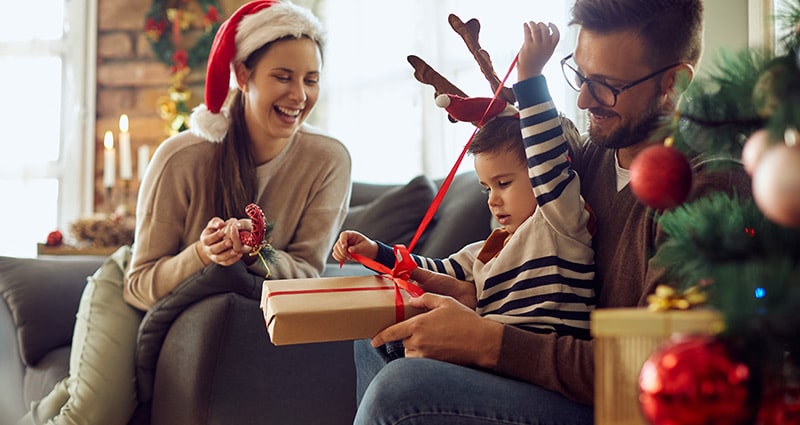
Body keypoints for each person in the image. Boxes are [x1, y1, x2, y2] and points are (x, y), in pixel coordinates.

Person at [353, 1, 751, 424]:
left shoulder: (709, 190)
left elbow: (651, 367)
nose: (582, 98)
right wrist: (474, 295)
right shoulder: (592, 155)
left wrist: (490, 342)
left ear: (674, 81)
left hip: (616, 404)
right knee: (378, 336)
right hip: (551, 370)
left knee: (401, 394)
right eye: (579, 74)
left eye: (607, 85)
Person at [17, 2, 350, 424]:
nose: (299, 95)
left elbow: (308, 273)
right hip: (130, 293)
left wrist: (255, 254)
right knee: (97, 412)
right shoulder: (182, 156)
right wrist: (202, 254)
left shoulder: (329, 160)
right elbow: (138, 285)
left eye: (311, 80)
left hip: (198, 306)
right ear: (243, 76)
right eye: (283, 77)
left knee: (94, 393)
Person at [333, 93, 596, 341]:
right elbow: (435, 269)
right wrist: (375, 252)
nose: (492, 200)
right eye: (487, 188)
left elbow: (547, 159)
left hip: (536, 358)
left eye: (503, 183)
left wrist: (531, 75)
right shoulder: (490, 249)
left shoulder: (559, 220)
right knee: (373, 336)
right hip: (491, 354)